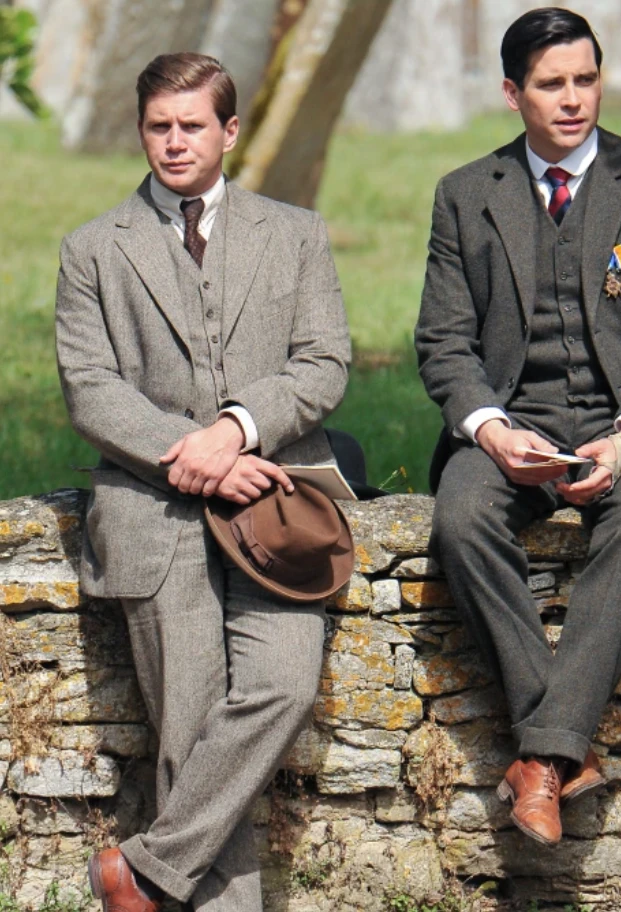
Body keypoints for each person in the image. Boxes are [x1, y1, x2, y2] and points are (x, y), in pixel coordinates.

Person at [415, 8, 621, 847]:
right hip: (514, 423)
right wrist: (490, 431)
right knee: (461, 517)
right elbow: (442, 342)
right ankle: (560, 747)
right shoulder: (465, 195)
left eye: (585, 80)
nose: (573, 99)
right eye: (551, 84)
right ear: (512, 92)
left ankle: (539, 760)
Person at [56, 53, 351, 911]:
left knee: (284, 685)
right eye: (160, 126)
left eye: (193, 125)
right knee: (188, 729)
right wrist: (193, 455)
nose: (175, 142)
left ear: (230, 131)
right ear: (141, 131)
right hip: (152, 510)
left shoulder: (296, 233)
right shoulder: (92, 250)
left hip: (274, 503)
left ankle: (142, 869)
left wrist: (235, 431)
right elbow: (90, 389)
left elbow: (324, 362)